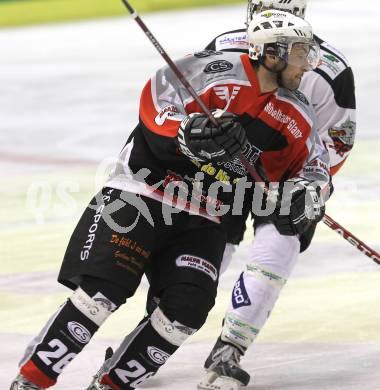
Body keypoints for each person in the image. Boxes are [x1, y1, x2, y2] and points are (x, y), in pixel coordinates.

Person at [10, 10, 329, 390]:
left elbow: (314, 167)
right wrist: (186, 130)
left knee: (185, 312)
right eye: (298, 52)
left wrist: (305, 196)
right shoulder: (214, 69)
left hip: (207, 217)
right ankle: (31, 381)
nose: (306, 63)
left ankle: (111, 385)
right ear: (271, 53)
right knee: (101, 294)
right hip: (144, 193)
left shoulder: (296, 112)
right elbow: (157, 98)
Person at [197, 1, 356, 389]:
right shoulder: (224, 46)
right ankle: (152, 335)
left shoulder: (330, 69)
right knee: (198, 255)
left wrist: (304, 186)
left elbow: (337, 141)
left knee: (276, 252)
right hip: (225, 172)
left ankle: (229, 351)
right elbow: (198, 110)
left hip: (289, 179)